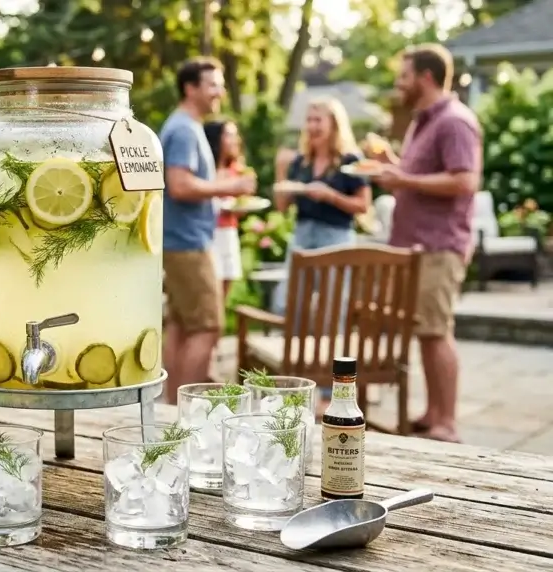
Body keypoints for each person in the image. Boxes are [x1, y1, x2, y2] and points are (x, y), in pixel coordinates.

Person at [368, 44, 482, 443]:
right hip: (416, 246)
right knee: (424, 331)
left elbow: (465, 181)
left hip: (439, 246)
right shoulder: (422, 122)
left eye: (404, 76)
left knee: (436, 332)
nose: (399, 84)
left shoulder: (454, 122)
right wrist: (394, 165)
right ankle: (432, 412)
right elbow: (419, 179)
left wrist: (403, 179)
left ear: (426, 78)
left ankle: (447, 423)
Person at [161, 58, 256, 402]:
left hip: (179, 240)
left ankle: (170, 404)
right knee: (207, 326)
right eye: (213, 84)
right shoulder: (185, 129)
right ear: (191, 88)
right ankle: (189, 411)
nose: (220, 91)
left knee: (181, 324)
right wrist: (228, 189)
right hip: (188, 243)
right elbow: (180, 185)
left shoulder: (186, 126)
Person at [271, 98, 371, 319]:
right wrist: (280, 171)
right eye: (309, 120)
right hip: (302, 235)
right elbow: (281, 207)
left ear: (334, 123)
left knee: (333, 306)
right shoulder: (301, 162)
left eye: (318, 120)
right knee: (292, 303)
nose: (312, 126)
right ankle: (295, 352)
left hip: (336, 237)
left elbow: (363, 205)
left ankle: (333, 353)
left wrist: (331, 196)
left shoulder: (350, 160)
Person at [203, 120, 247, 299]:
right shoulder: (206, 170)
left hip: (229, 233)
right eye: (229, 135)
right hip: (210, 234)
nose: (235, 140)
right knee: (209, 289)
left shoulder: (237, 170)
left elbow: (241, 209)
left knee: (225, 289)